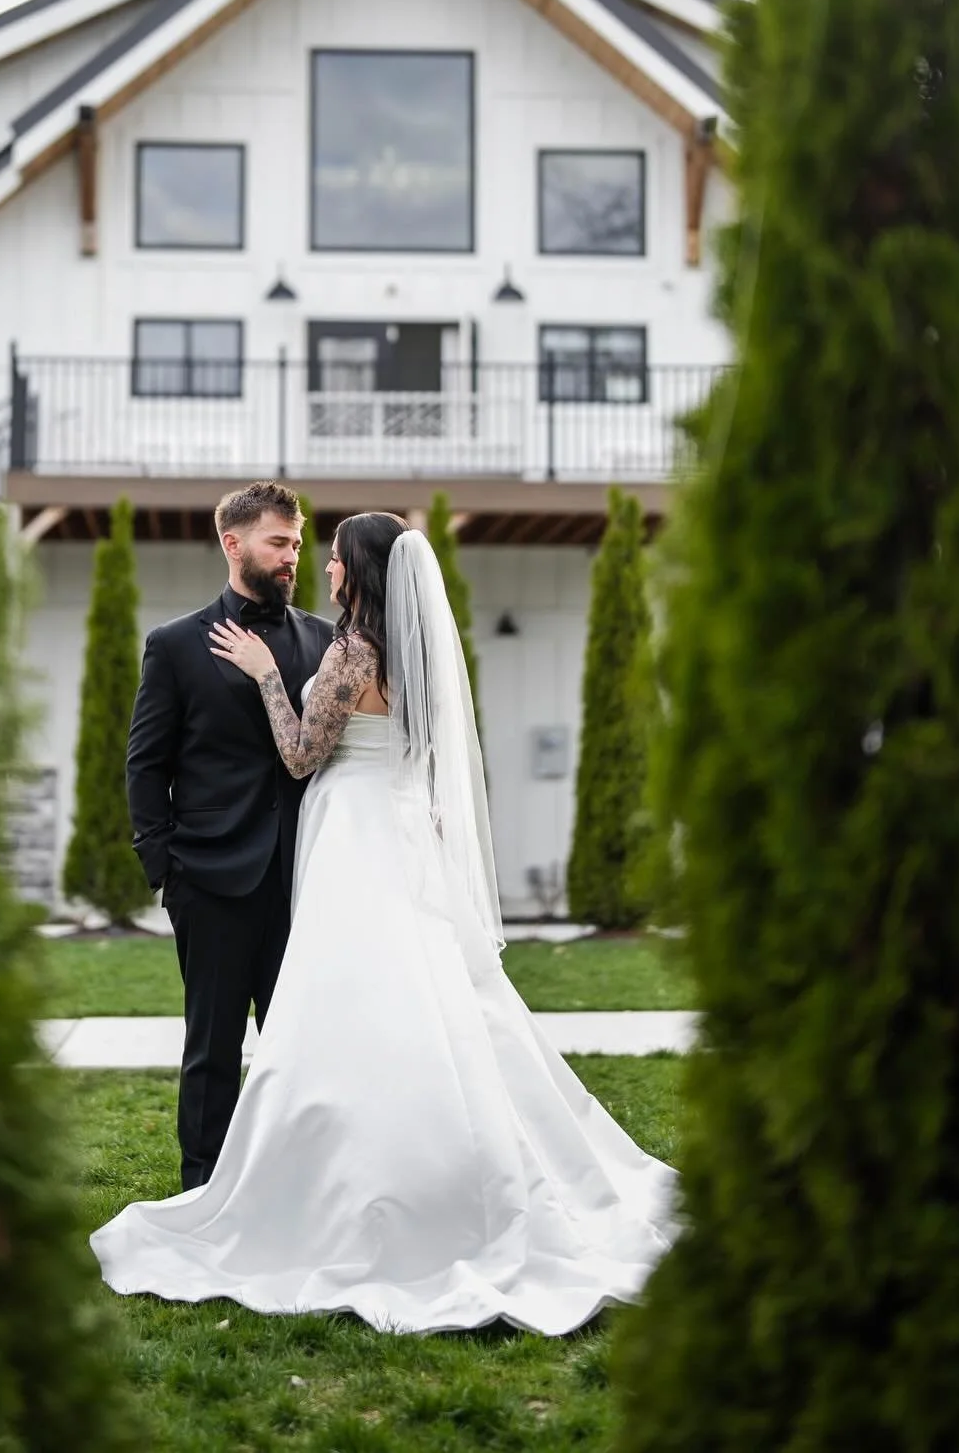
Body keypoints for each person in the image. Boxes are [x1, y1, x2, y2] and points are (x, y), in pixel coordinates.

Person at [94, 512, 677, 1336]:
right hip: (397, 838)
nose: (320, 569)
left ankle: (345, 1186)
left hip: (353, 845)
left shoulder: (347, 649)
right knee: (427, 1008)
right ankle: (440, 1173)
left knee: (346, 1014)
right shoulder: (419, 655)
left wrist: (265, 672)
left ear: (359, 571)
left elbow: (300, 754)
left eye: (330, 558)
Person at [126, 480, 334, 1191]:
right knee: (211, 1048)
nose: (291, 557)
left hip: (300, 883)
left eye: (298, 544)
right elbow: (146, 764)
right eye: (279, 542)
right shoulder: (175, 645)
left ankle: (294, 1187)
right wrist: (165, 868)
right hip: (209, 881)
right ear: (233, 542)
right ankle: (203, 1192)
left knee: (298, 1048)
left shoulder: (324, 641)